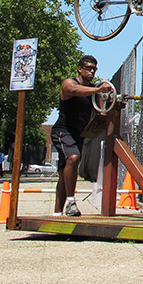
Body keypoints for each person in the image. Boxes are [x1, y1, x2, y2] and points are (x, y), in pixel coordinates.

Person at [51, 55, 112, 216]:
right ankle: (71, 202)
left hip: (78, 135)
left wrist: (110, 99)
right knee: (73, 158)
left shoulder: (94, 91)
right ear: (80, 69)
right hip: (62, 131)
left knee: (65, 171)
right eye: (88, 68)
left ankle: (57, 213)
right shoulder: (70, 83)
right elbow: (72, 90)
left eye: (94, 69)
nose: (92, 71)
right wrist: (98, 89)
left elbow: (102, 111)